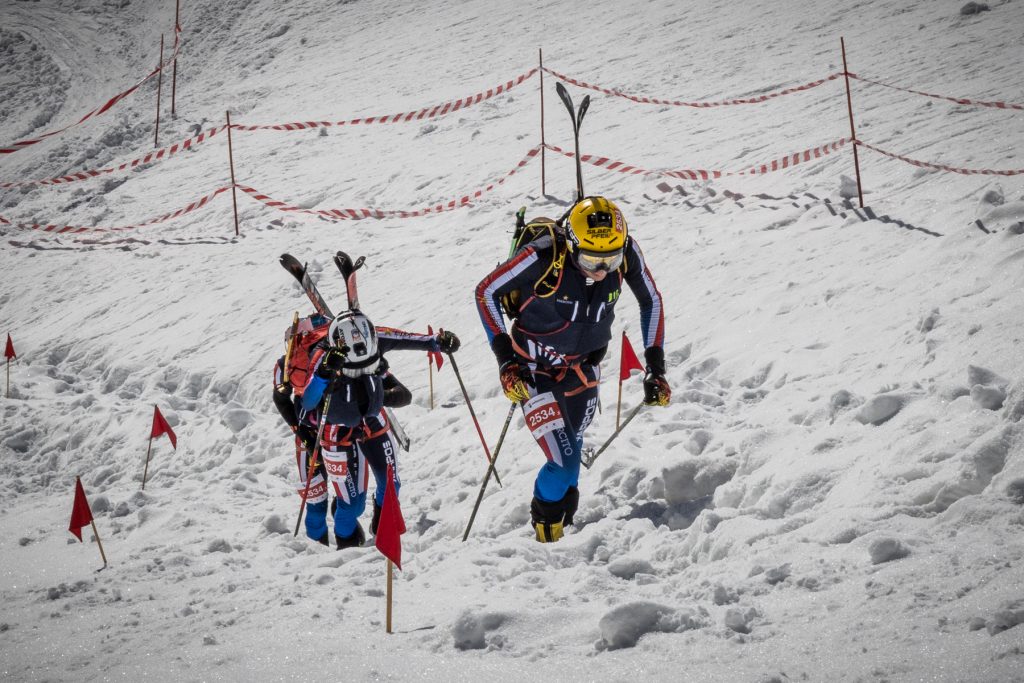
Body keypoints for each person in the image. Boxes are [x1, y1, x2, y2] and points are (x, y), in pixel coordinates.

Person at [475, 196, 669, 543]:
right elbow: (486, 291)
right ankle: (544, 529)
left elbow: (650, 299)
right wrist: (505, 362)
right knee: (563, 461)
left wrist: (656, 368)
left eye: (612, 259)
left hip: (583, 368)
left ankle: (565, 532)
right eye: (591, 259)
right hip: (533, 372)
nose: (602, 269)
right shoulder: (543, 255)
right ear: (572, 244)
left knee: (574, 445)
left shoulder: (624, 250)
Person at [297, 310, 460, 548]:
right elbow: (307, 404)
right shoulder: (323, 355)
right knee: (353, 504)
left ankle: (381, 534)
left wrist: (438, 342)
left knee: (391, 485)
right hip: (337, 431)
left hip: (373, 420)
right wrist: (323, 375)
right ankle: (347, 543)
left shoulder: (374, 335)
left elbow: (407, 339)